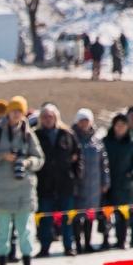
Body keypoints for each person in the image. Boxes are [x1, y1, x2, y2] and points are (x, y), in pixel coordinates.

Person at [0, 96, 44, 265]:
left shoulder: (28, 134)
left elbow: (40, 159)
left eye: (19, 111)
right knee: (2, 232)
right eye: (13, 111)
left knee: (25, 230)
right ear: (8, 112)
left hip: (23, 190)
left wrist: (26, 162)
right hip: (1, 190)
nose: (16, 115)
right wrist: (2, 156)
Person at [33, 103, 83, 257]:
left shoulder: (67, 134)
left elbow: (78, 156)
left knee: (67, 218)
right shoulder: (36, 135)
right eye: (45, 117)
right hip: (45, 185)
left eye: (51, 116)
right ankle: (44, 247)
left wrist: (75, 177)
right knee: (45, 219)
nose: (48, 119)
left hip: (65, 184)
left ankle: (69, 246)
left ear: (56, 117)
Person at [102, 113, 133, 249]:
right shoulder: (106, 141)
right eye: (118, 125)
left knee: (123, 214)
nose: (120, 128)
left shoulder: (132, 142)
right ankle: (105, 240)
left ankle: (122, 240)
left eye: (123, 125)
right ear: (113, 126)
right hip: (109, 182)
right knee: (106, 213)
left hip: (125, 183)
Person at [72, 109, 109, 253]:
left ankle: (88, 242)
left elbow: (104, 164)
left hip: (94, 184)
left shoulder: (97, 141)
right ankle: (78, 244)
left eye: (86, 121)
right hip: (78, 184)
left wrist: (105, 183)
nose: (84, 124)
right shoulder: (72, 138)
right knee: (76, 216)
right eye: (81, 121)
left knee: (90, 215)